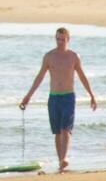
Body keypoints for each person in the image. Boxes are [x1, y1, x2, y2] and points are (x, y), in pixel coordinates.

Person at [18, 27, 98, 173]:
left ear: (68, 39)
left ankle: (64, 158)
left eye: (62, 39)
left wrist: (91, 95)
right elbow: (40, 77)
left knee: (65, 129)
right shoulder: (49, 56)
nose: (59, 42)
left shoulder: (74, 56)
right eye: (57, 39)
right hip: (54, 97)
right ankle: (60, 162)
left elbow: (82, 76)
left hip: (68, 96)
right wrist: (28, 96)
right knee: (57, 132)